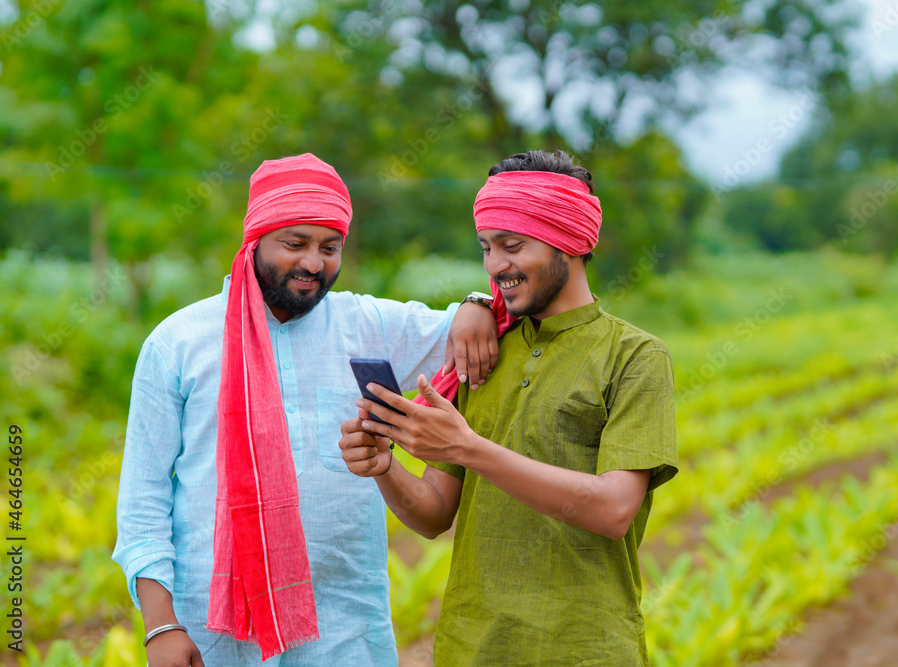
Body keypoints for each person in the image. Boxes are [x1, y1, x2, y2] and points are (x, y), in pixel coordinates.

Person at [112, 153, 498, 666]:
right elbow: (143, 506)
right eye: (294, 243)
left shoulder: (367, 324)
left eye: (329, 246)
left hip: (344, 625)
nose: (314, 263)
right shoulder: (179, 344)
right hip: (213, 631)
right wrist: (162, 626)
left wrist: (477, 303)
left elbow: (467, 330)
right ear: (253, 242)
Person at [339, 150, 678, 666]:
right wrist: (385, 467)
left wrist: (468, 448)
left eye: (512, 245)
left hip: (586, 649)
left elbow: (613, 509)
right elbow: (433, 514)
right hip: (470, 648)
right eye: (487, 247)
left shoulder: (634, 356)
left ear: (571, 240)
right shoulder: (483, 350)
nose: (497, 266)